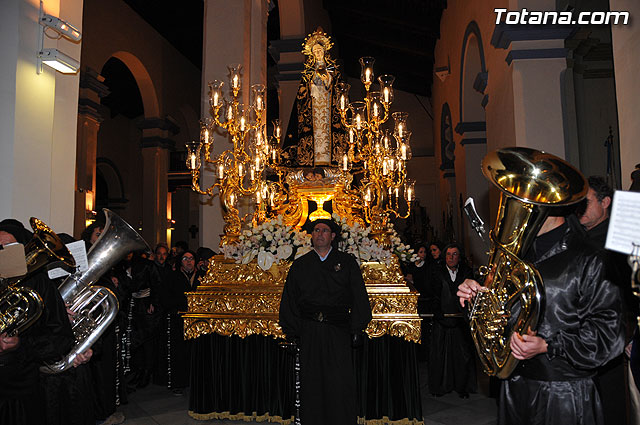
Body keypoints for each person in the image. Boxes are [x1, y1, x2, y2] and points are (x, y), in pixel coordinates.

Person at [457, 213, 626, 425]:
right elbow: (494, 319)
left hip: (565, 394)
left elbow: (609, 334)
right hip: (516, 388)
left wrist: (548, 345)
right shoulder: (514, 257)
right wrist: (475, 300)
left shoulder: (590, 256)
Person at [279, 218, 372, 425]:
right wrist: (292, 332)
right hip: (309, 331)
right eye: (316, 230)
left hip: (338, 330)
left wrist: (357, 328)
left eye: (324, 230)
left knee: (339, 381)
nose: (319, 233)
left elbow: (359, 296)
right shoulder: (300, 265)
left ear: (333, 236)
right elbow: (290, 300)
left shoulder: (346, 262)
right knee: (312, 382)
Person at [0, 220, 78, 425]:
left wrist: (20, 345)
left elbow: (61, 337)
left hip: (20, 389)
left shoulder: (39, 284)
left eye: (9, 249)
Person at [579, 176, 639, 425]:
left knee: (613, 401)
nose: (580, 209)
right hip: (587, 332)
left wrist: (633, 332)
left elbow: (630, 289)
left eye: (587, 202)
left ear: (606, 202)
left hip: (614, 331)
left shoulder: (620, 237)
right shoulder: (579, 237)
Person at [281, 28, 348, 167]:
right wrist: (311, 83)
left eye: (320, 51)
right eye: (315, 51)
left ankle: (332, 161)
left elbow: (339, 91)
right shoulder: (308, 72)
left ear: (325, 52)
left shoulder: (333, 70)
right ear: (312, 54)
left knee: (328, 134)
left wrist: (327, 80)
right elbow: (301, 95)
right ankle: (312, 163)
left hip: (328, 107)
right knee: (315, 134)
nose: (318, 53)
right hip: (314, 109)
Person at [428, 243, 476, 398]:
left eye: (455, 254)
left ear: (459, 257)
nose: (451, 257)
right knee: (440, 355)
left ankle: (462, 387)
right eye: (448, 254)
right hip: (442, 320)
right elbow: (433, 295)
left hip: (460, 322)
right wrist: (437, 312)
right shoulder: (436, 271)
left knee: (462, 356)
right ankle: (440, 387)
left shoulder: (467, 272)